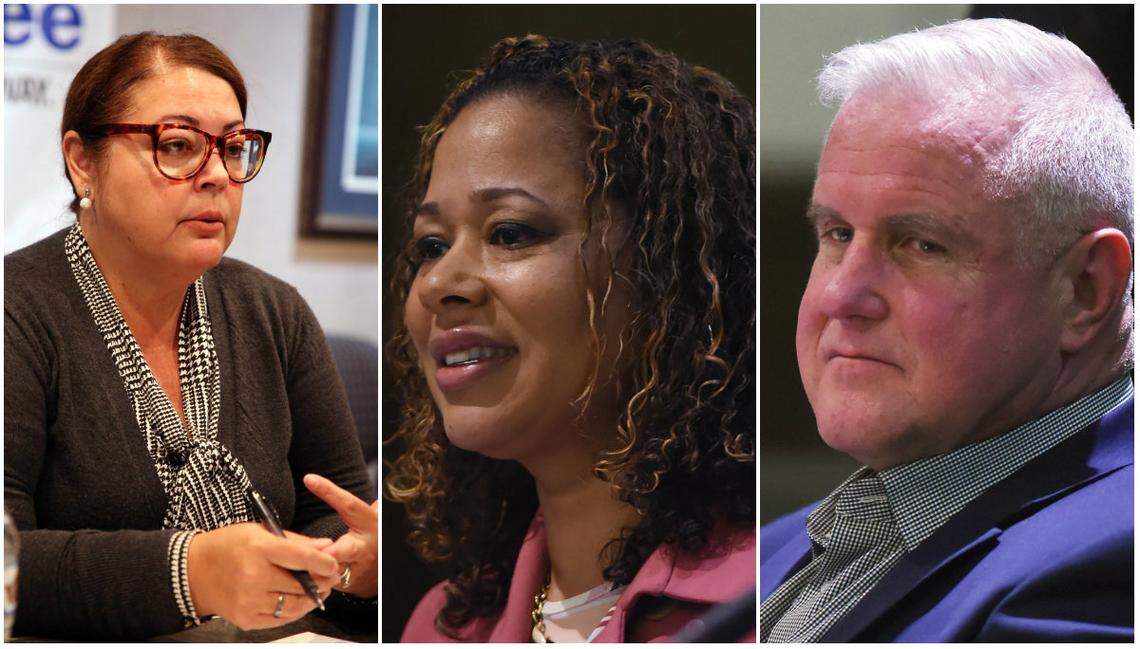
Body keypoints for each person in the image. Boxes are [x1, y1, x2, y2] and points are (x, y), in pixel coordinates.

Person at [759, 18, 1133, 642]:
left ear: (1086, 289)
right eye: (837, 234)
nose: (841, 296)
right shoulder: (772, 548)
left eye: (922, 244)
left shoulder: (1109, 565)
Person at [4, 32, 378, 639]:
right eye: (177, 146)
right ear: (82, 161)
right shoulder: (16, 311)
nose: (216, 177)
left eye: (233, 148)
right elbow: (6, 561)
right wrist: (191, 571)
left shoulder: (274, 311)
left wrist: (360, 571)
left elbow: (339, 521)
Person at [386, 34, 756, 642]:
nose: (440, 284)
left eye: (509, 233)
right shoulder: (445, 624)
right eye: (431, 245)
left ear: (666, 271)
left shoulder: (773, 607)